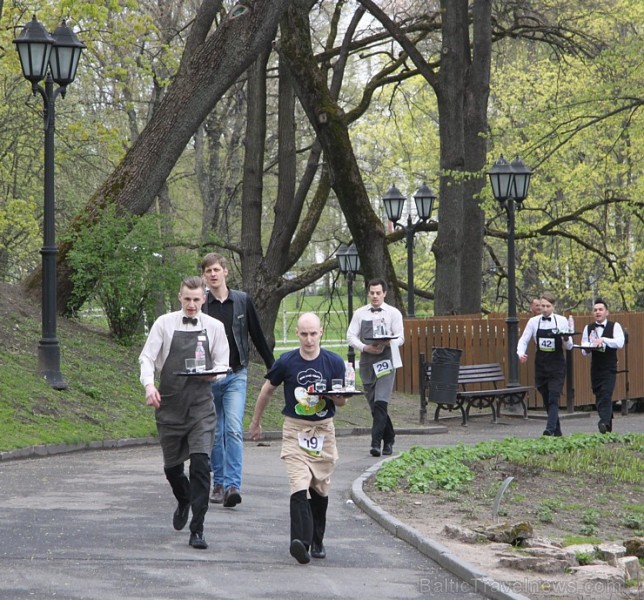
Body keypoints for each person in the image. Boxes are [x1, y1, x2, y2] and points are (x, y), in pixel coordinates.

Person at [248, 312, 348, 564]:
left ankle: (317, 539)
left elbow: (343, 401)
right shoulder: (286, 362)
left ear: (321, 332)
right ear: (297, 334)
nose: (309, 339)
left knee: (320, 490)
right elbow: (267, 391)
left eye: (313, 333)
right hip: (295, 430)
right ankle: (299, 542)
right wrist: (255, 421)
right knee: (298, 484)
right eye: (304, 334)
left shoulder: (334, 362)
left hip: (323, 430)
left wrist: (332, 396)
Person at [139, 276, 230, 549]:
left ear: (204, 299)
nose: (191, 305)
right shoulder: (163, 324)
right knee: (172, 469)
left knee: (201, 464)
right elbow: (146, 357)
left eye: (196, 300)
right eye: (187, 299)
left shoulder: (215, 327)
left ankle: (198, 528)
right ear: (180, 297)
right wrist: (149, 386)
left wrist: (212, 376)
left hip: (201, 406)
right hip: (169, 405)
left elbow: (224, 364)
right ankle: (183, 498)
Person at [201, 253, 274, 507]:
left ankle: (233, 485)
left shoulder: (242, 301)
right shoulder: (201, 305)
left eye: (216, 269)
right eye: (208, 270)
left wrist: (272, 365)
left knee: (232, 428)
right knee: (215, 431)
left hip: (235, 375)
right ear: (204, 276)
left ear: (226, 272)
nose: (213, 274)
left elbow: (256, 334)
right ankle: (218, 483)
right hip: (209, 378)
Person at [347, 278, 404, 457]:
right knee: (374, 405)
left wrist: (388, 342)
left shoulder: (393, 313)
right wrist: (365, 347)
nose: (375, 296)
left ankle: (375, 444)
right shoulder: (359, 314)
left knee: (381, 402)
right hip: (367, 363)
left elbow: (401, 337)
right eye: (372, 293)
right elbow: (350, 335)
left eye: (378, 293)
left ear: (384, 293)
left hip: (386, 361)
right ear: (368, 293)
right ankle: (389, 438)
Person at [517, 293, 573, 437]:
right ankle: (558, 432)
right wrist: (520, 353)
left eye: (548, 306)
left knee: (554, 396)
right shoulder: (534, 322)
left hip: (557, 364)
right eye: (542, 306)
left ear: (553, 307)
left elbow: (569, 346)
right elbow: (524, 339)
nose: (545, 309)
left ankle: (549, 429)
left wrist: (566, 338)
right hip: (541, 364)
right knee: (546, 396)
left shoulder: (561, 321)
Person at [580, 298, 625, 433]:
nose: (597, 312)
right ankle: (607, 426)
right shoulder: (588, 328)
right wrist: (589, 347)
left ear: (607, 312)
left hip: (609, 366)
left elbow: (619, 343)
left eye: (600, 309)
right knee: (599, 395)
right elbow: (583, 350)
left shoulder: (614, 326)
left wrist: (603, 340)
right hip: (596, 367)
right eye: (595, 310)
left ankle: (603, 422)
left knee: (606, 393)